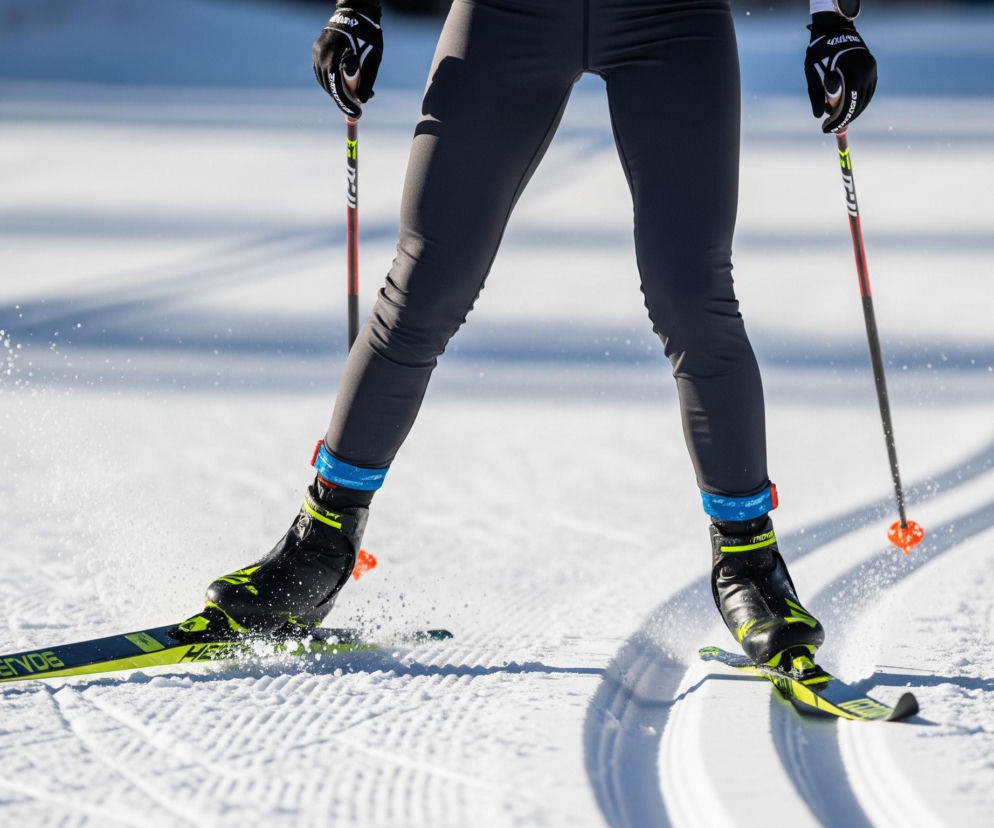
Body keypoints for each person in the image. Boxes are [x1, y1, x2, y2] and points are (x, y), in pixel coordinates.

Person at [176, 0, 877, 670]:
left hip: (671, 18)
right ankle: (320, 547)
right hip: (507, 14)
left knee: (693, 296)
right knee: (425, 284)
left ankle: (749, 565)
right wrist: (357, 6)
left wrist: (830, 18)